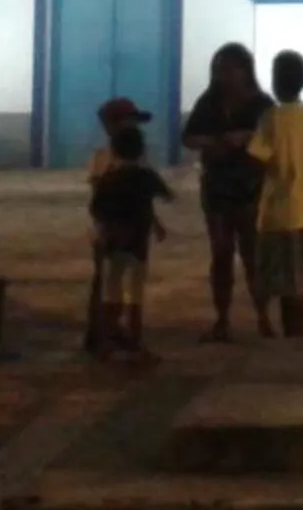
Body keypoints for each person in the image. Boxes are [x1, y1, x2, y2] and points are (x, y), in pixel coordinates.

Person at [182, 42, 274, 340]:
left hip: (251, 188)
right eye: (219, 71)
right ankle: (222, 319)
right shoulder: (209, 102)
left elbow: (275, 140)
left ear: (245, 71)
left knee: (253, 255)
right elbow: (189, 137)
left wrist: (246, 137)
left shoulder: (262, 104)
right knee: (221, 255)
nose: (224, 77)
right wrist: (213, 143)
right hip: (217, 188)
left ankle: (264, 317)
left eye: (229, 70)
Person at [85, 101, 171, 363]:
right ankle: (109, 336)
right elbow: (157, 194)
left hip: (113, 235)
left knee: (111, 287)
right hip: (122, 237)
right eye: (129, 121)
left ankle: (110, 338)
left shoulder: (123, 164)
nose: (134, 127)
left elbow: (99, 203)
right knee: (116, 288)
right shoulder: (105, 159)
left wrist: (154, 222)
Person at [249, 49, 303, 339]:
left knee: (268, 276)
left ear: (276, 81)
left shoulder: (272, 117)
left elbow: (259, 155)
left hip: (276, 211)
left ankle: (268, 325)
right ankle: (298, 333)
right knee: (298, 279)